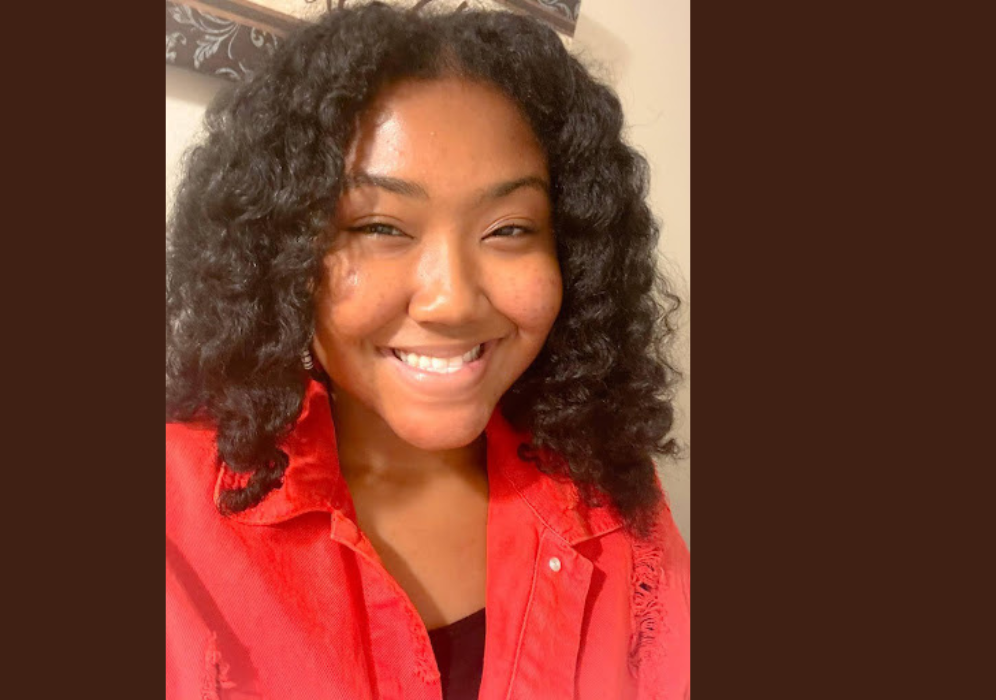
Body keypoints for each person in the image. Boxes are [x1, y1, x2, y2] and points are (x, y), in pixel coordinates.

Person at [165, 3, 688, 698]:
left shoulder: (609, 487)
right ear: (283, 252)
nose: (452, 301)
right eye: (381, 226)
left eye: (508, 229)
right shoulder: (174, 523)